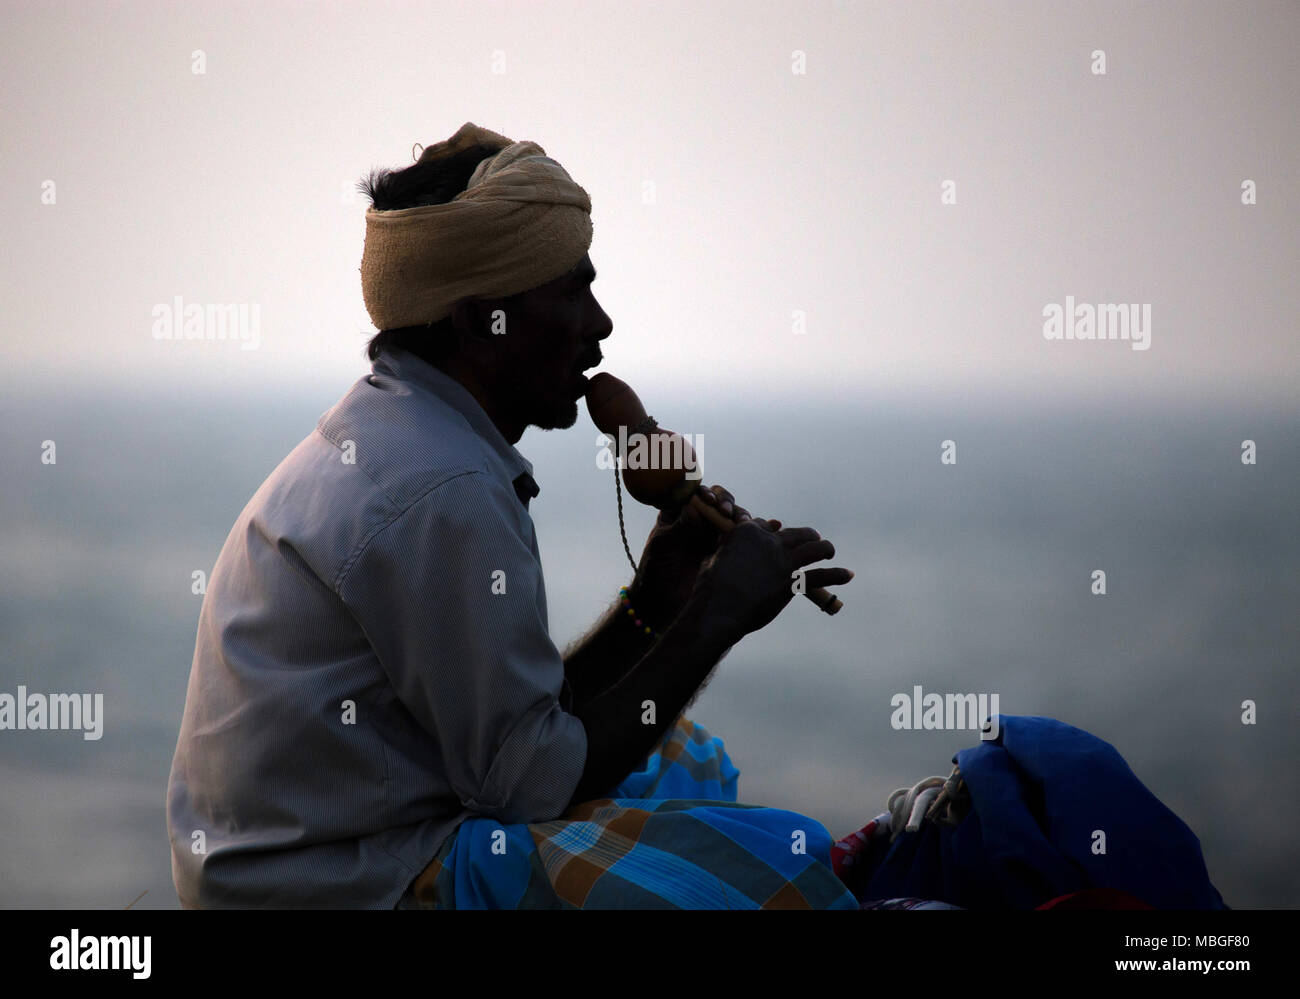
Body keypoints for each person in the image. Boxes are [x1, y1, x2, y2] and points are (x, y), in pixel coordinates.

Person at [165, 122, 854, 908]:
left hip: (310, 858)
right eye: (570, 291)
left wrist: (658, 599)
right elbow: (533, 786)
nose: (600, 326)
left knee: (684, 761)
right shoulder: (442, 488)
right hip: (339, 887)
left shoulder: (405, 435)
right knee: (755, 872)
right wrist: (717, 617)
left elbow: (521, 729)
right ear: (474, 320)